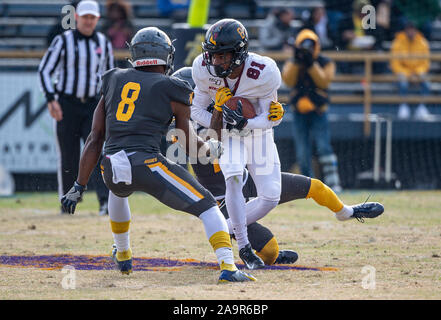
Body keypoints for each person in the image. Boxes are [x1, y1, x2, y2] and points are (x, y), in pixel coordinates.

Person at [60, 27, 256, 283]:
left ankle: (123, 253)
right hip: (146, 163)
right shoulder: (173, 87)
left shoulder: (112, 79)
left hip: (110, 165)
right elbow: (189, 144)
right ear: (166, 56)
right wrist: (211, 150)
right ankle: (228, 267)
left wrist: (78, 185)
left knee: (118, 191)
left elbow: (95, 138)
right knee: (208, 206)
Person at [174, 66, 385, 266]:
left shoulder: (222, 109)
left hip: (247, 180)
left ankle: (346, 212)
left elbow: (252, 132)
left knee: (315, 187)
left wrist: (268, 116)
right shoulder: (186, 129)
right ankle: (235, 247)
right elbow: (209, 144)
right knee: (270, 251)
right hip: (223, 203)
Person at [191, 19, 285, 270]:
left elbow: (270, 120)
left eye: (222, 56)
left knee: (271, 196)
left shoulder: (264, 71)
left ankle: (226, 227)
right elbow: (196, 111)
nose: (215, 62)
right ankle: (243, 246)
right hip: (228, 135)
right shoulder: (202, 68)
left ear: (239, 52)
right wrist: (220, 110)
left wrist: (246, 123)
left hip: (256, 134)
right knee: (232, 176)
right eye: (212, 56)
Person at [39, 0, 112, 215]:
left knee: (99, 151)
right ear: (77, 17)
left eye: (92, 17)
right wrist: (51, 100)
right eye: (85, 17)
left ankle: (105, 202)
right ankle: (68, 203)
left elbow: (108, 77)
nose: (89, 21)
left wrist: (106, 104)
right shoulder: (63, 41)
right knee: (68, 155)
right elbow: (44, 70)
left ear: (97, 19)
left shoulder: (103, 43)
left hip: (92, 105)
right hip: (67, 104)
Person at [281, 29, 342, 193]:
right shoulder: (293, 61)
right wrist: (297, 59)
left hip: (318, 111)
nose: (307, 48)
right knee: (302, 151)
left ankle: (333, 183)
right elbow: (288, 80)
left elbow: (323, 82)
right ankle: (306, 188)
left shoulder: (325, 62)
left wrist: (311, 63)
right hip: (299, 112)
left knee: (324, 147)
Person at [390, 21, 431, 120]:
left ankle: (422, 107)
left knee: (427, 83)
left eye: (413, 29)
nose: (411, 32)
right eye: (409, 29)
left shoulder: (423, 42)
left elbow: (425, 62)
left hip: (418, 71)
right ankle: (403, 106)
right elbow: (395, 63)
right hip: (403, 71)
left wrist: (417, 72)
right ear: (406, 30)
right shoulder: (398, 42)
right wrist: (407, 73)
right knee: (403, 82)